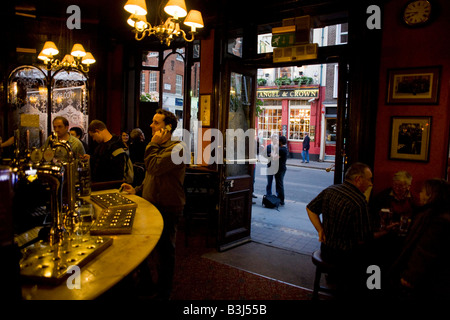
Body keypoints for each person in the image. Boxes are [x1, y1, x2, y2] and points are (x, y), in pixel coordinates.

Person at [121, 109, 186, 299]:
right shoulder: (157, 147)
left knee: (165, 252)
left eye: (156, 123)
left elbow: (154, 167)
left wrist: (152, 144)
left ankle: (164, 291)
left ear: (167, 128)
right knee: (142, 247)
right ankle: (146, 284)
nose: (151, 125)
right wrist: (137, 190)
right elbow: (151, 176)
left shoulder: (178, 148)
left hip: (168, 205)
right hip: (150, 204)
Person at [306, 162, 374, 298]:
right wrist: (385, 231)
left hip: (326, 249)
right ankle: (371, 290)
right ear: (358, 179)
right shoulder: (358, 202)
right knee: (375, 261)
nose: (371, 184)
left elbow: (310, 208)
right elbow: (363, 239)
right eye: (369, 179)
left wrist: (320, 230)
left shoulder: (331, 190)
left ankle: (335, 279)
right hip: (345, 257)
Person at [389, 179, 450, 299]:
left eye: (422, 191)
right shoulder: (437, 213)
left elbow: (426, 250)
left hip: (427, 279)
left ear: (431, 195)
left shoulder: (436, 218)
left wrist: (410, 276)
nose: (419, 194)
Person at [265, 135, 288, 205]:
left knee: (279, 185)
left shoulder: (281, 149)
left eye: (278, 140)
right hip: (277, 168)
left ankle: (281, 200)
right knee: (277, 184)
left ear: (280, 142)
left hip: (279, 169)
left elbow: (273, 156)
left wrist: (271, 155)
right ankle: (278, 199)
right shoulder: (282, 149)